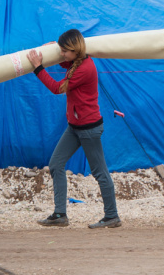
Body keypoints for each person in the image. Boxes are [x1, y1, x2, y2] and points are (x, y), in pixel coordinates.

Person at [26, 29, 120, 229]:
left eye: (64, 51)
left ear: (75, 50)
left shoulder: (86, 68)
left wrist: (38, 68)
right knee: (55, 164)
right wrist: (52, 49)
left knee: (100, 172)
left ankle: (112, 216)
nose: (62, 54)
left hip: (88, 129)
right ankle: (60, 214)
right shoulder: (78, 62)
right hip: (75, 126)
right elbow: (68, 64)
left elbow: (57, 87)